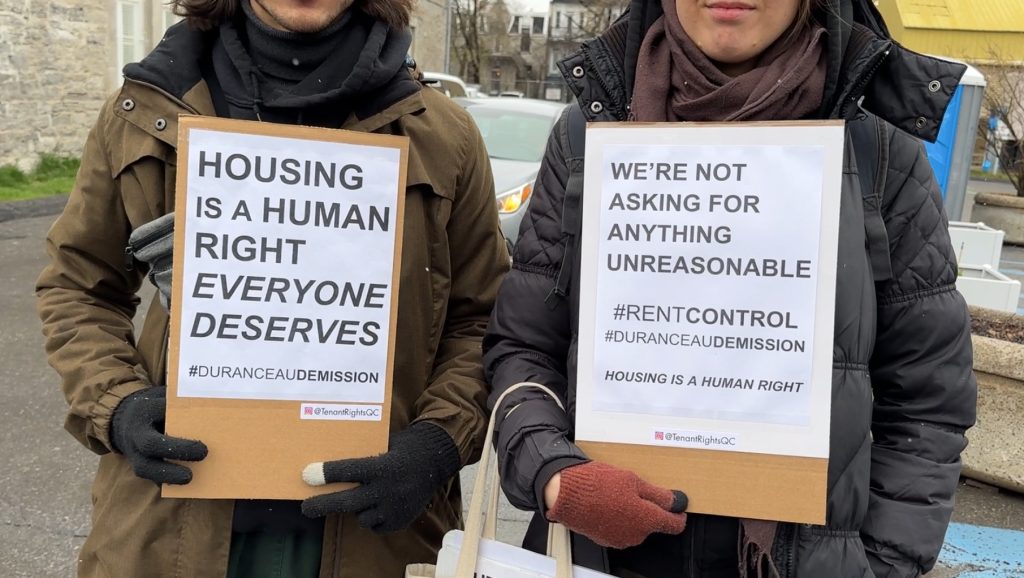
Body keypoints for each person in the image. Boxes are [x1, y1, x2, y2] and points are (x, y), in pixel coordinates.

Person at [483, 0, 977, 577]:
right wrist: (553, 472)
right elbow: (522, 349)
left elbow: (926, 398)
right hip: (595, 557)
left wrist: (881, 565)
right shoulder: (586, 136)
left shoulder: (880, 152)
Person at [35, 0, 510, 576]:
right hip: (167, 532)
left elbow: (482, 319)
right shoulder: (143, 112)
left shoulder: (445, 135)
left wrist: (437, 444)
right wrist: (116, 402)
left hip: (373, 538)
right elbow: (79, 284)